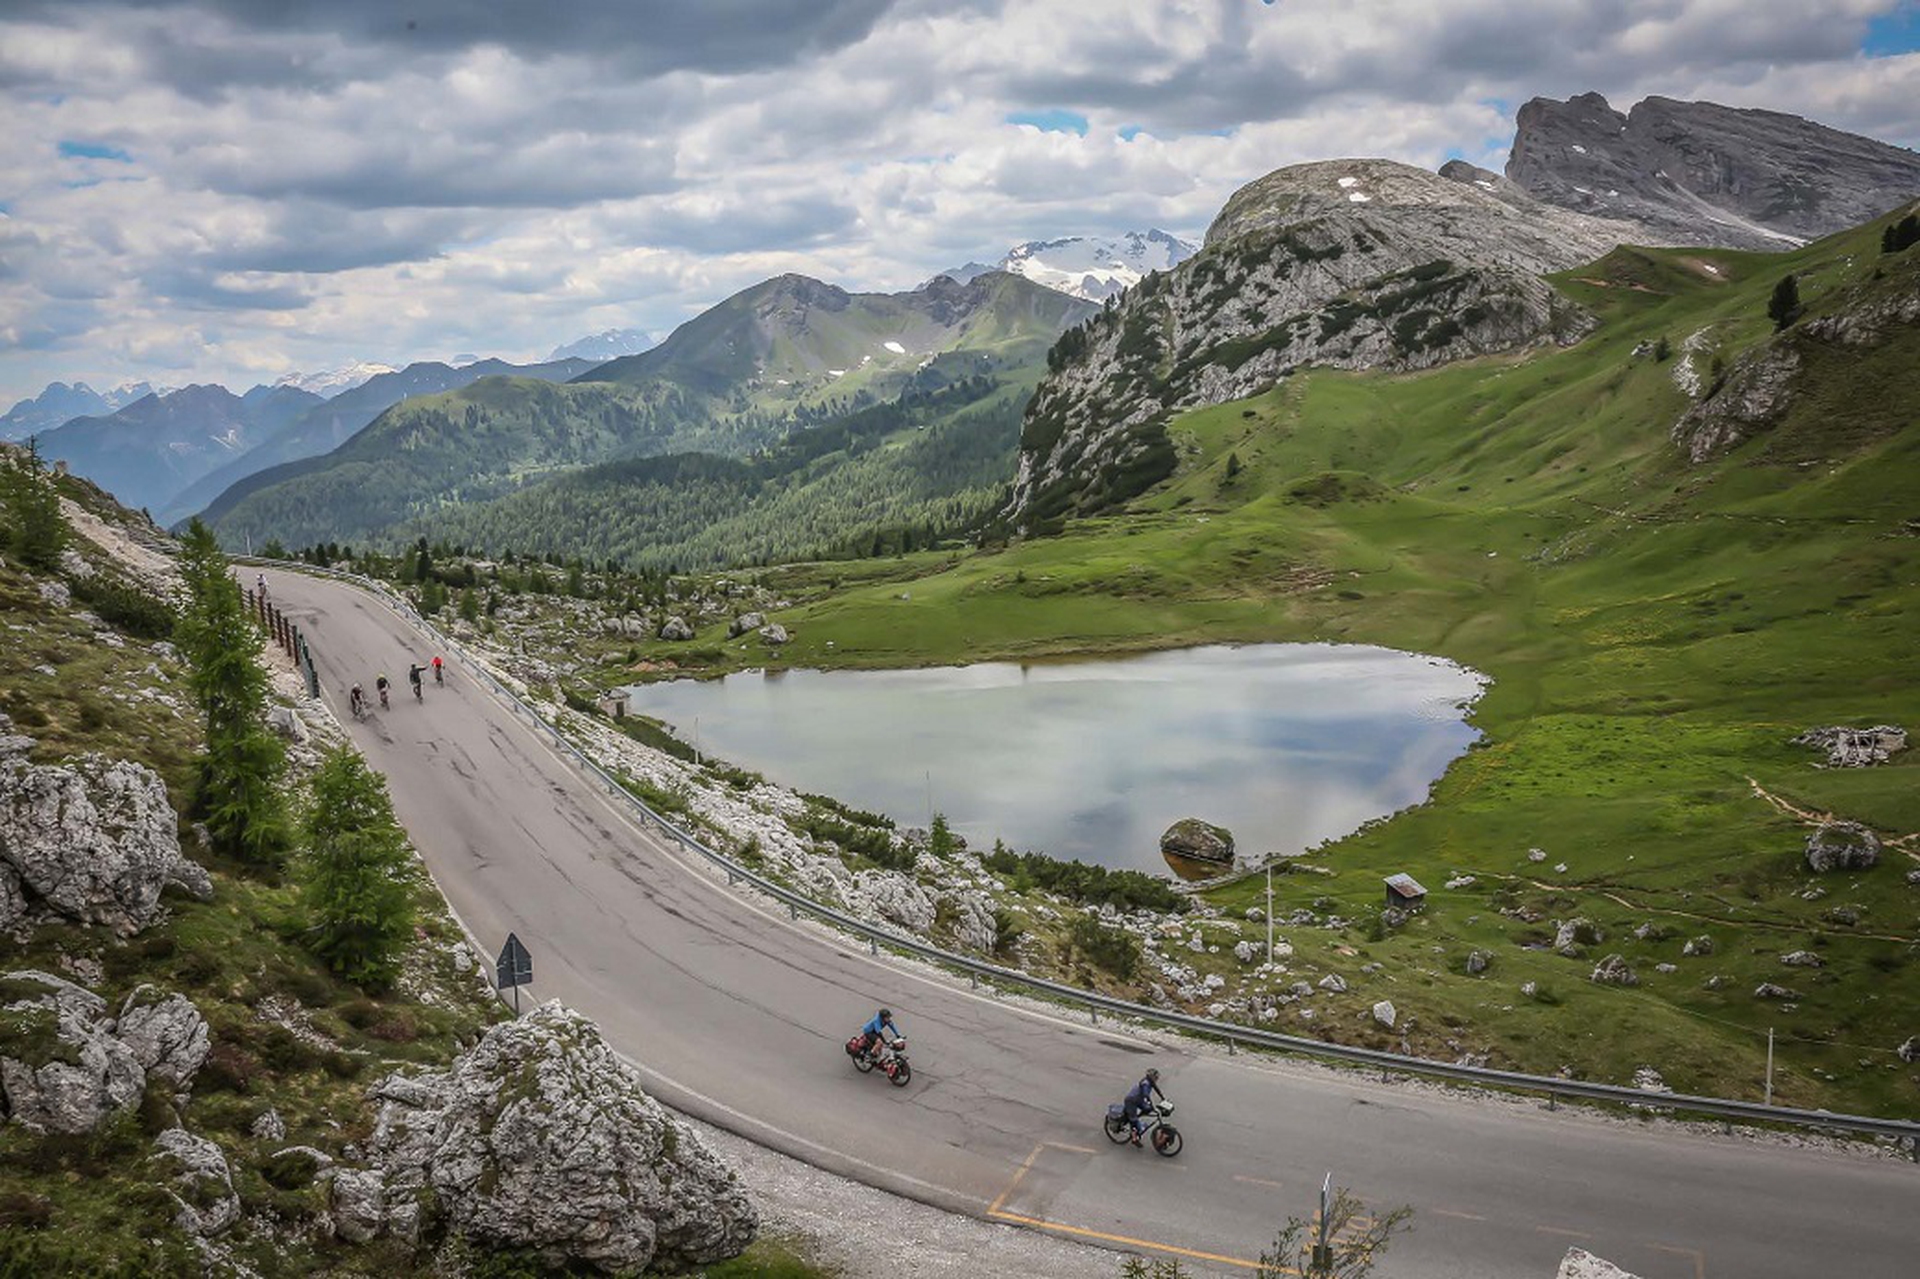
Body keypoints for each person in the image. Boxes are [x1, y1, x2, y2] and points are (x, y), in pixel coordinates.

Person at [1121, 1067, 1165, 1146]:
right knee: (1133, 1120)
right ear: (1151, 1077)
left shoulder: (1151, 1082)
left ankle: (1137, 1120)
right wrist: (1150, 1104)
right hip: (1131, 1101)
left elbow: (1157, 1089)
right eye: (1155, 1077)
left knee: (1147, 1110)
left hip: (1138, 1100)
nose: (1156, 1079)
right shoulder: (1146, 1083)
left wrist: (1163, 1099)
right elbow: (1146, 1095)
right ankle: (1134, 1139)